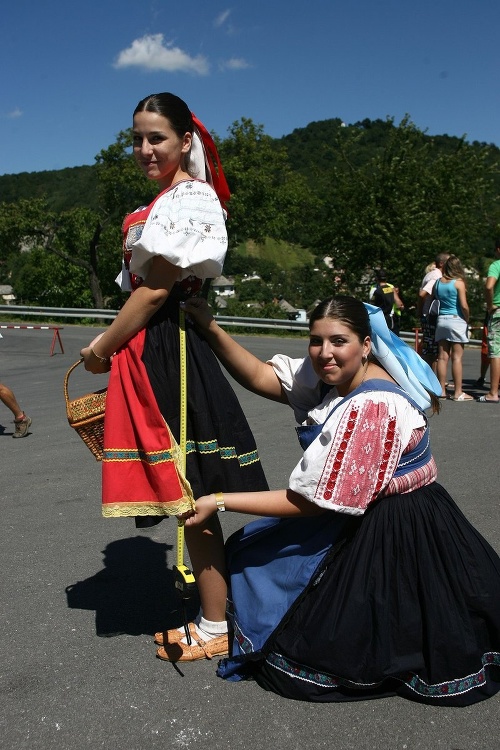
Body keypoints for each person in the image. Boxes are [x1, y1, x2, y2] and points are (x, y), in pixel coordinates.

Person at [157, 295, 500, 707]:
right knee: (254, 553)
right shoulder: (338, 377)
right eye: (316, 341)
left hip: (395, 525)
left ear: (366, 344)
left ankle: (223, 632)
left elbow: (317, 502)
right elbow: (265, 379)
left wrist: (220, 499)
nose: (325, 353)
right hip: (359, 508)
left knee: (311, 611)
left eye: (339, 341)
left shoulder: (374, 405)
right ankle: (221, 626)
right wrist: (209, 327)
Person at [80, 93, 268, 634]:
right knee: (183, 484)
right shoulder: (160, 204)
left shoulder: (189, 199)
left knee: (195, 488)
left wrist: (100, 349)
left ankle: (214, 624)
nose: (144, 149)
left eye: (156, 137)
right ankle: (213, 614)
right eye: (136, 138)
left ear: (186, 140)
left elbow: (155, 292)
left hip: (171, 347)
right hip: (151, 346)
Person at [433, 255, 473, 401]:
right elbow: (463, 305)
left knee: (442, 357)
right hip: (456, 320)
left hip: (441, 320)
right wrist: (467, 318)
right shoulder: (459, 283)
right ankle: (458, 392)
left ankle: (441, 390)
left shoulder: (437, 283)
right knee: (457, 357)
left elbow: (434, 300)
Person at [417, 253, 449, 370]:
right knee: (431, 351)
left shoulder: (430, 274)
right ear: (442, 263)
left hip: (427, 314)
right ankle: (429, 380)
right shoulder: (436, 276)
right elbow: (422, 294)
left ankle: (432, 379)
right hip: (430, 316)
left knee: (430, 349)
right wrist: (421, 311)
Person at [477, 240, 500, 403]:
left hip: (498, 311)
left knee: (496, 352)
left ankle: (493, 392)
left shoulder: (496, 265)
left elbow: (489, 285)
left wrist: (490, 304)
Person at [369, 269, 404, 333]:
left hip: (378, 319)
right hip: (390, 318)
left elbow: (371, 305)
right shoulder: (391, 287)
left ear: (377, 278)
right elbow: (399, 304)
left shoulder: (374, 289)